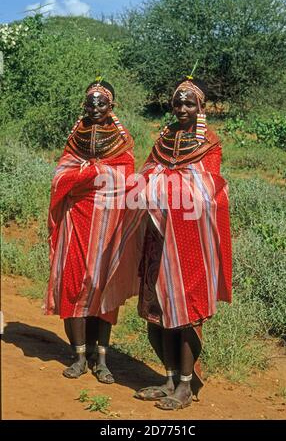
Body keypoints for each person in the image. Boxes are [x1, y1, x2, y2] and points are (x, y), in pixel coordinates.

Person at [105, 76, 232, 410]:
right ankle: (169, 378)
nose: (182, 108)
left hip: (190, 242)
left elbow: (206, 190)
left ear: (201, 106)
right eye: (178, 102)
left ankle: (186, 387)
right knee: (155, 314)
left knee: (184, 315)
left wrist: (159, 183)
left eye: (189, 103)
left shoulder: (210, 143)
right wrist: (154, 182)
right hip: (158, 239)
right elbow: (145, 174)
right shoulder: (164, 139)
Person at [44, 78, 135, 383]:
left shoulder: (123, 141)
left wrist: (90, 173)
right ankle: (79, 356)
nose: (95, 108)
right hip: (76, 219)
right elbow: (61, 177)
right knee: (73, 284)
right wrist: (91, 173)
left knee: (102, 287)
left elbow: (124, 177)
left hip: (108, 222)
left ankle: (102, 359)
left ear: (113, 106)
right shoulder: (75, 138)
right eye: (90, 103)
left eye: (102, 102)